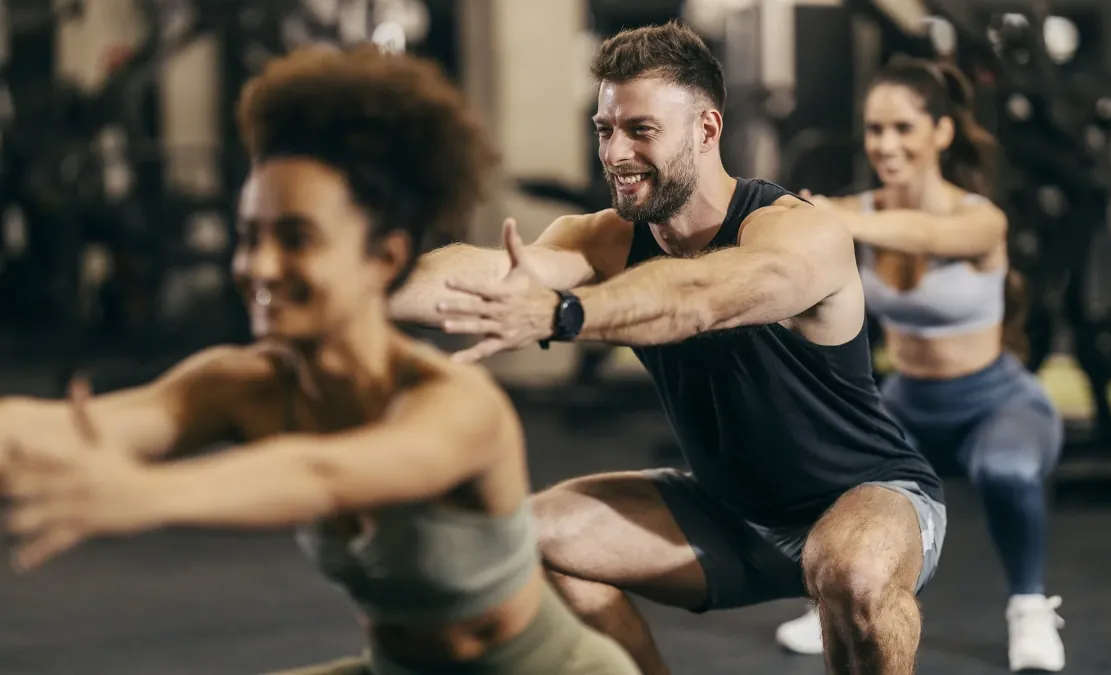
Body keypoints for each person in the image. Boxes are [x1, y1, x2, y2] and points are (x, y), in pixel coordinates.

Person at [0, 46, 639, 675]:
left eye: (296, 239)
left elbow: (323, 473)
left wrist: (143, 493)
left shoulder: (456, 405)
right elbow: (82, 427)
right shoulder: (239, 385)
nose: (259, 266)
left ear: (385, 258)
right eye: (250, 236)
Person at [388, 21, 946, 675]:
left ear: (707, 130)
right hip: (725, 512)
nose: (615, 153)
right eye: (604, 129)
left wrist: (569, 313)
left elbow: (703, 297)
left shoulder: (799, 232)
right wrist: (346, 286)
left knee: (850, 568)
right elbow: (478, 277)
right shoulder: (600, 239)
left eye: (640, 130)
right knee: (523, 539)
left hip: (867, 496)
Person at [773, 57, 1066, 673]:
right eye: (875, 130)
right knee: (845, 486)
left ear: (942, 132)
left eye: (903, 128)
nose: (885, 145)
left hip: (997, 400)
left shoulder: (979, 218)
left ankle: (1030, 607)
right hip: (908, 400)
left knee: (1008, 471)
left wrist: (833, 218)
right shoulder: (854, 212)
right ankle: (834, 600)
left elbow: (928, 237)